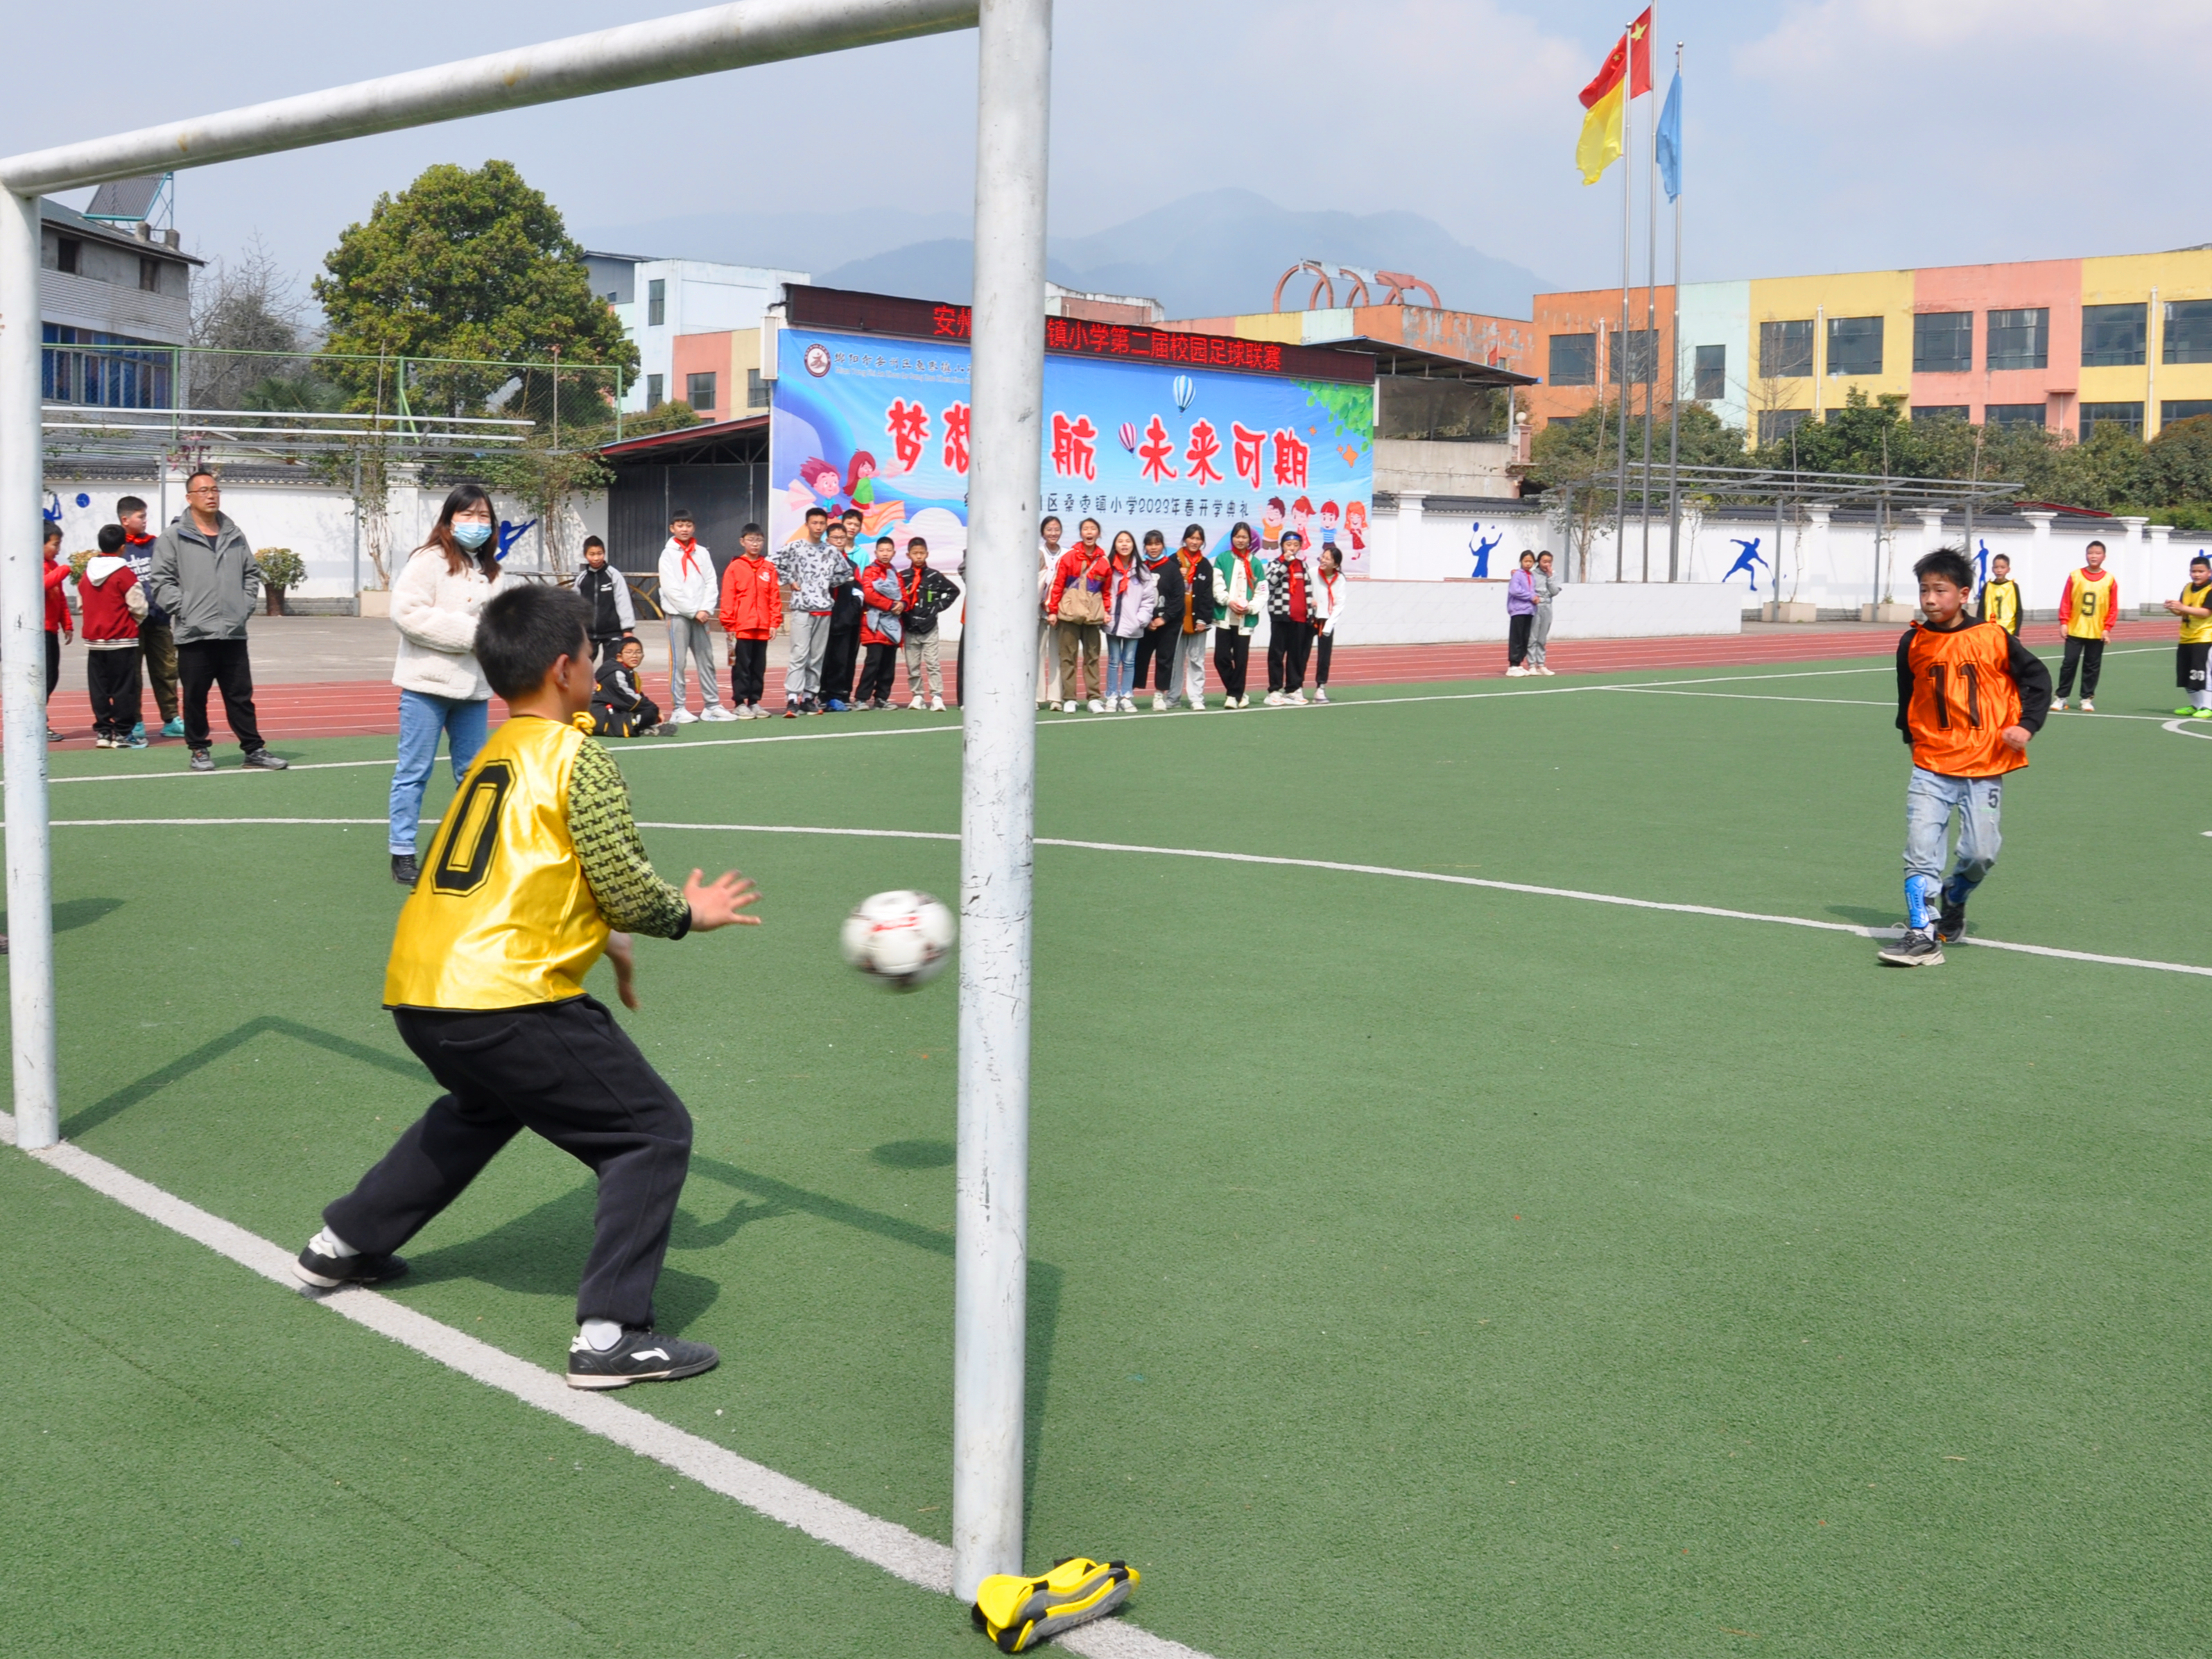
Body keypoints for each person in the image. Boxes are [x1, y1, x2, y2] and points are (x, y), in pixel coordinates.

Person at [293, 584, 762, 1389]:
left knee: (482, 1106)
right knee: (650, 1132)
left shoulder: (493, 755)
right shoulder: (577, 755)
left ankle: (343, 1244)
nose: (596, 661)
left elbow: (515, 876)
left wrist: (602, 938)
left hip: (421, 989)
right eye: (589, 650)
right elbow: (622, 881)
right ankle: (612, 1335)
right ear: (564, 669)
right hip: (505, 994)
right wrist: (690, 913)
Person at [1876, 547, 2051, 968]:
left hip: (1985, 764)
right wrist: (1913, 743)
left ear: (1964, 593)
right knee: (1920, 850)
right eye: (1924, 590)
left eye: (1940, 590)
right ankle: (1922, 934)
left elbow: (2038, 679)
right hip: (1931, 764)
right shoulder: (1913, 641)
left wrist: (2026, 726)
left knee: (1980, 853)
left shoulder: (1993, 637)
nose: (1930, 599)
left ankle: (1955, 898)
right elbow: (1908, 699)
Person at [387, 483, 502, 886]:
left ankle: (471, 849)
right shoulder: (429, 560)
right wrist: (475, 634)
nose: (476, 523)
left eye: (483, 516)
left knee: (472, 775)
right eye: (467, 515)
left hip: (472, 689)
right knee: (413, 771)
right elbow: (407, 614)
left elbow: (501, 627)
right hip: (425, 684)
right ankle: (402, 851)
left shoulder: (490, 570)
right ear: (449, 521)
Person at [147, 469, 287, 773]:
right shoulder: (173, 537)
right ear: (189, 498)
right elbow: (160, 581)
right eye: (203, 491)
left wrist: (244, 605)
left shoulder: (234, 534)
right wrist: (184, 608)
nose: (211, 495)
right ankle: (199, 750)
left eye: (215, 490)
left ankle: (253, 749)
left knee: (241, 696)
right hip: (194, 633)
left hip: (232, 632)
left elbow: (251, 573)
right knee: (195, 697)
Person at [115, 495, 182, 737]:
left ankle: (171, 718)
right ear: (125, 520)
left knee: (166, 669)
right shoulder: (118, 548)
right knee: (131, 673)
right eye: (140, 516)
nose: (145, 521)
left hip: (159, 619)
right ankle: (135, 721)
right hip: (130, 623)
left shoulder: (155, 544)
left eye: (145, 516)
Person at [656, 510, 731, 723]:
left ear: (694, 527)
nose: (684, 529)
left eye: (688, 525)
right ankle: (679, 708)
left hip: (701, 615)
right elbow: (671, 588)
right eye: (680, 525)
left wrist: (706, 609)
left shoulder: (702, 553)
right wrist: (692, 610)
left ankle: (712, 705)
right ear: (673, 528)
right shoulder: (667, 555)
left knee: (706, 660)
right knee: (678, 663)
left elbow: (711, 581)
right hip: (678, 615)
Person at [80, 525, 148, 749]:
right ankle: (123, 733)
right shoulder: (124, 574)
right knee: (124, 689)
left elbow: (82, 604)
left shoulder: (87, 574)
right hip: (122, 640)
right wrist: (132, 623)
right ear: (122, 547)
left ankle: (102, 731)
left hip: (95, 642)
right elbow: (139, 606)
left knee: (99, 688)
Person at [774, 506, 842, 717]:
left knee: (816, 657)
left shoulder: (831, 551)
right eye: (814, 523)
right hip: (802, 608)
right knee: (799, 654)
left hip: (824, 610)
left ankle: (810, 697)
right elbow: (773, 562)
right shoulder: (795, 547)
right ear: (807, 525)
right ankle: (793, 698)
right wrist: (791, 580)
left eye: (822, 523)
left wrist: (825, 585)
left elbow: (846, 573)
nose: (818, 527)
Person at [716, 522, 779, 719]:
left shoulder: (768, 567)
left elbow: (774, 597)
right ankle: (739, 702)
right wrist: (729, 624)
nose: (755, 544)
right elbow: (728, 596)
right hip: (740, 627)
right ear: (742, 542)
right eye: (751, 540)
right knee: (740, 666)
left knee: (758, 667)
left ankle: (754, 701)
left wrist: (774, 623)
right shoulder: (735, 567)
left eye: (759, 540)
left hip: (761, 627)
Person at [1047, 517, 1107, 712]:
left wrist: (1107, 611)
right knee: (1068, 657)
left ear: (1098, 534)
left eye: (1093, 529)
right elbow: (1057, 585)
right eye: (1085, 529)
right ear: (1081, 533)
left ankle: (1094, 698)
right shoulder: (1069, 557)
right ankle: (1070, 698)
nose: (1089, 533)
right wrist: (1053, 611)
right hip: (1069, 615)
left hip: (1092, 618)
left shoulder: (1104, 562)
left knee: (1092, 657)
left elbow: (1106, 591)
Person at [2053, 539, 2118, 712]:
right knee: (2069, 663)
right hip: (2076, 629)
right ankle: (2061, 697)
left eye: (2098, 553)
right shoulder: (2075, 576)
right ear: (2086, 555)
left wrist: (2107, 628)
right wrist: (2064, 622)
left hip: (2096, 631)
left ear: (2104, 556)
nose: (2094, 556)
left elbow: (2113, 606)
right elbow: (2066, 600)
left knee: (2092, 666)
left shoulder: (2110, 580)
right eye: (2091, 553)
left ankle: (2086, 698)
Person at [899, 536, 958, 710]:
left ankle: (936, 695)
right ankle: (917, 695)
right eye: (915, 553)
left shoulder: (934, 576)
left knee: (932, 663)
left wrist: (936, 608)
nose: (918, 557)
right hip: (910, 626)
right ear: (908, 555)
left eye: (922, 553)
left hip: (929, 627)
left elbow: (953, 591)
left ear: (927, 554)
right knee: (913, 664)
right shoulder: (903, 577)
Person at [1100, 530, 1157, 713]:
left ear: (1133, 545)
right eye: (1120, 541)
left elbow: (1149, 599)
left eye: (1128, 541)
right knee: (1113, 661)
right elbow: (1099, 592)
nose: (1124, 544)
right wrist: (1104, 613)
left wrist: (1141, 619)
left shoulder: (1142, 571)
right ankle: (1111, 696)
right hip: (1113, 623)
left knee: (1130, 661)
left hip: (1133, 625)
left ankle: (1126, 696)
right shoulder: (1108, 567)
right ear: (1115, 545)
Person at [820, 508, 867, 710]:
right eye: (835, 538)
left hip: (846, 621)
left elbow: (859, 591)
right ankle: (820, 696)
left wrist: (851, 613)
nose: (839, 541)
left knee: (842, 661)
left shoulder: (853, 564)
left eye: (841, 538)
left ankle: (838, 696)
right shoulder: (819, 563)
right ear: (828, 539)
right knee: (823, 659)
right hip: (823, 620)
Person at [1212, 522, 1264, 708]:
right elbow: (1217, 585)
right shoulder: (1223, 559)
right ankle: (1239, 693)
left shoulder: (1256, 563)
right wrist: (1229, 601)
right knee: (1220, 658)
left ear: (1250, 540)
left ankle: (1233, 696)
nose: (1240, 540)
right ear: (1232, 538)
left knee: (1241, 660)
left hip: (1245, 619)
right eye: (1237, 536)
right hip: (1225, 616)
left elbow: (1262, 591)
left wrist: (1250, 607)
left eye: (1244, 537)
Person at [1263, 529, 1317, 705]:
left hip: (1301, 617)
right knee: (1277, 654)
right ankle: (1274, 690)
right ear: (1282, 546)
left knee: (1297, 655)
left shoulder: (1303, 565)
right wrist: (1285, 563)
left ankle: (1293, 689)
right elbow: (1271, 582)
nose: (1292, 548)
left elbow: (1307, 590)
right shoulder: (1275, 563)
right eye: (1289, 545)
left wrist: (1311, 611)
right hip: (1281, 616)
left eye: (1296, 545)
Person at [1132, 530, 1183, 711]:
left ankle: (1159, 695)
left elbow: (1178, 600)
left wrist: (1164, 619)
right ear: (1144, 546)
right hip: (1143, 623)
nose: (1153, 548)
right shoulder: (1140, 567)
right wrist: (1144, 620)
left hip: (1167, 624)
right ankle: (1129, 694)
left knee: (1165, 658)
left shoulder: (1172, 568)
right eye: (1150, 544)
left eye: (1157, 544)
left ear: (1163, 545)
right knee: (1138, 658)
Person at [855, 535, 904, 710]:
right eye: (882, 550)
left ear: (894, 553)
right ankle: (861, 698)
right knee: (873, 663)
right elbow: (869, 594)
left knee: (888, 666)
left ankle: (882, 698)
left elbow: (903, 594)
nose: (885, 554)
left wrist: (903, 604)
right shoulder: (870, 571)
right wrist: (891, 604)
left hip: (892, 628)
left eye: (888, 550)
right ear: (876, 552)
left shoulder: (895, 573)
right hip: (874, 627)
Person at [1170, 522, 1216, 710]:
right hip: (1176, 621)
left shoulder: (1205, 565)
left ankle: (1196, 697)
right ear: (1185, 539)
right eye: (1191, 538)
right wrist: (1176, 576)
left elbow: (1207, 595)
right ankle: (1173, 697)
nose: (1194, 542)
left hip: (1197, 621)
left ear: (1202, 542)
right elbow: (1166, 589)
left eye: (1198, 539)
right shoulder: (1173, 561)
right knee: (1175, 661)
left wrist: (1202, 620)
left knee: (1197, 660)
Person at [575, 535, 637, 667]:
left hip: (613, 632)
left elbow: (623, 601)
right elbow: (575, 606)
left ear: (604, 554)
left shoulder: (614, 575)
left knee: (611, 668)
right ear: (585, 555)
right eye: (592, 554)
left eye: (599, 554)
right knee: (583, 668)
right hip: (589, 633)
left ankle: (607, 688)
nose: (596, 558)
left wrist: (627, 629)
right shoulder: (581, 579)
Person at [2165, 554, 2212, 717]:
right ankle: (2195, 705)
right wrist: (2173, 607)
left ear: (2209, 572)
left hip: (2204, 637)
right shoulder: (2187, 588)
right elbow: (2182, 610)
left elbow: (2205, 612)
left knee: (2202, 673)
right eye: (2194, 571)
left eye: (2201, 571)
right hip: (2186, 637)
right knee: (2185, 673)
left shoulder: (2210, 589)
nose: (2197, 574)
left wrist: (2182, 608)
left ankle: (2208, 706)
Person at [592, 636, 666, 737]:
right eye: (629, 652)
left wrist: (653, 709)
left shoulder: (631, 673)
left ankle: (643, 726)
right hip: (601, 713)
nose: (634, 656)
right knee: (649, 711)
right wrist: (655, 709)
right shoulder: (616, 673)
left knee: (648, 711)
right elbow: (630, 698)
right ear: (619, 657)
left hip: (616, 708)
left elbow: (638, 695)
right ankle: (640, 727)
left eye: (638, 652)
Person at [41, 521, 71, 743]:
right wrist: (64, 570)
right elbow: (42, 584)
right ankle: (38, 720)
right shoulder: (37, 565)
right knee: (44, 678)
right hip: (37, 631)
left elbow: (60, 598)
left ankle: (38, 717)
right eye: (55, 544)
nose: (58, 549)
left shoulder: (53, 565)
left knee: (52, 676)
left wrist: (67, 624)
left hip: (50, 630)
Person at [1035, 515, 1064, 710]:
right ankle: (1036, 698)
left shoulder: (1068, 554)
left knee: (1057, 653)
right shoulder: (1036, 553)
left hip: (1059, 611)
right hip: (1037, 609)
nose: (1053, 533)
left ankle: (1056, 698)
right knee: (1036, 653)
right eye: (1049, 529)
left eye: (1056, 529)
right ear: (1042, 532)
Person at [1313, 544, 1345, 703]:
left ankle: (1320, 688)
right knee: (1300, 653)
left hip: (1327, 620)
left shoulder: (1340, 579)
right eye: (1323, 556)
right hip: (1310, 618)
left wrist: (1329, 625)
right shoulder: (1313, 572)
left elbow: (1340, 604)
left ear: (1336, 564)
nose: (1323, 560)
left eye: (1328, 558)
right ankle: (1295, 687)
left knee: (1324, 656)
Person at [1526, 550, 1562, 677]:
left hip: (1548, 605)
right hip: (1536, 605)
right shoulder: (1532, 574)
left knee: (1542, 637)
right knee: (1533, 636)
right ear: (1539, 562)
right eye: (1544, 561)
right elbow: (1528, 589)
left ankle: (1541, 664)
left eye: (1549, 562)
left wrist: (1550, 577)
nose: (1547, 564)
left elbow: (1554, 592)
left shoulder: (1553, 574)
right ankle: (1531, 665)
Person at [1505, 551, 1538, 676]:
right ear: (1521, 561)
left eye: (1530, 561)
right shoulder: (1518, 575)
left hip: (1529, 610)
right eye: (1526, 561)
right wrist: (1531, 597)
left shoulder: (1531, 576)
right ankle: (1513, 665)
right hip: (1518, 610)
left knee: (1525, 638)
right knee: (1517, 638)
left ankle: (1519, 663)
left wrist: (1535, 599)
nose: (1528, 564)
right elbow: (1515, 590)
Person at [1978, 552, 2021, 636]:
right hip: (1990, 630)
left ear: (2008, 569)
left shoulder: (2013, 587)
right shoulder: (1988, 586)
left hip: (2009, 630)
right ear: (1992, 569)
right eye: (1996, 567)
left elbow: (2018, 610)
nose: (1999, 570)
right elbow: (1981, 610)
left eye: (2003, 567)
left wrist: (2016, 633)